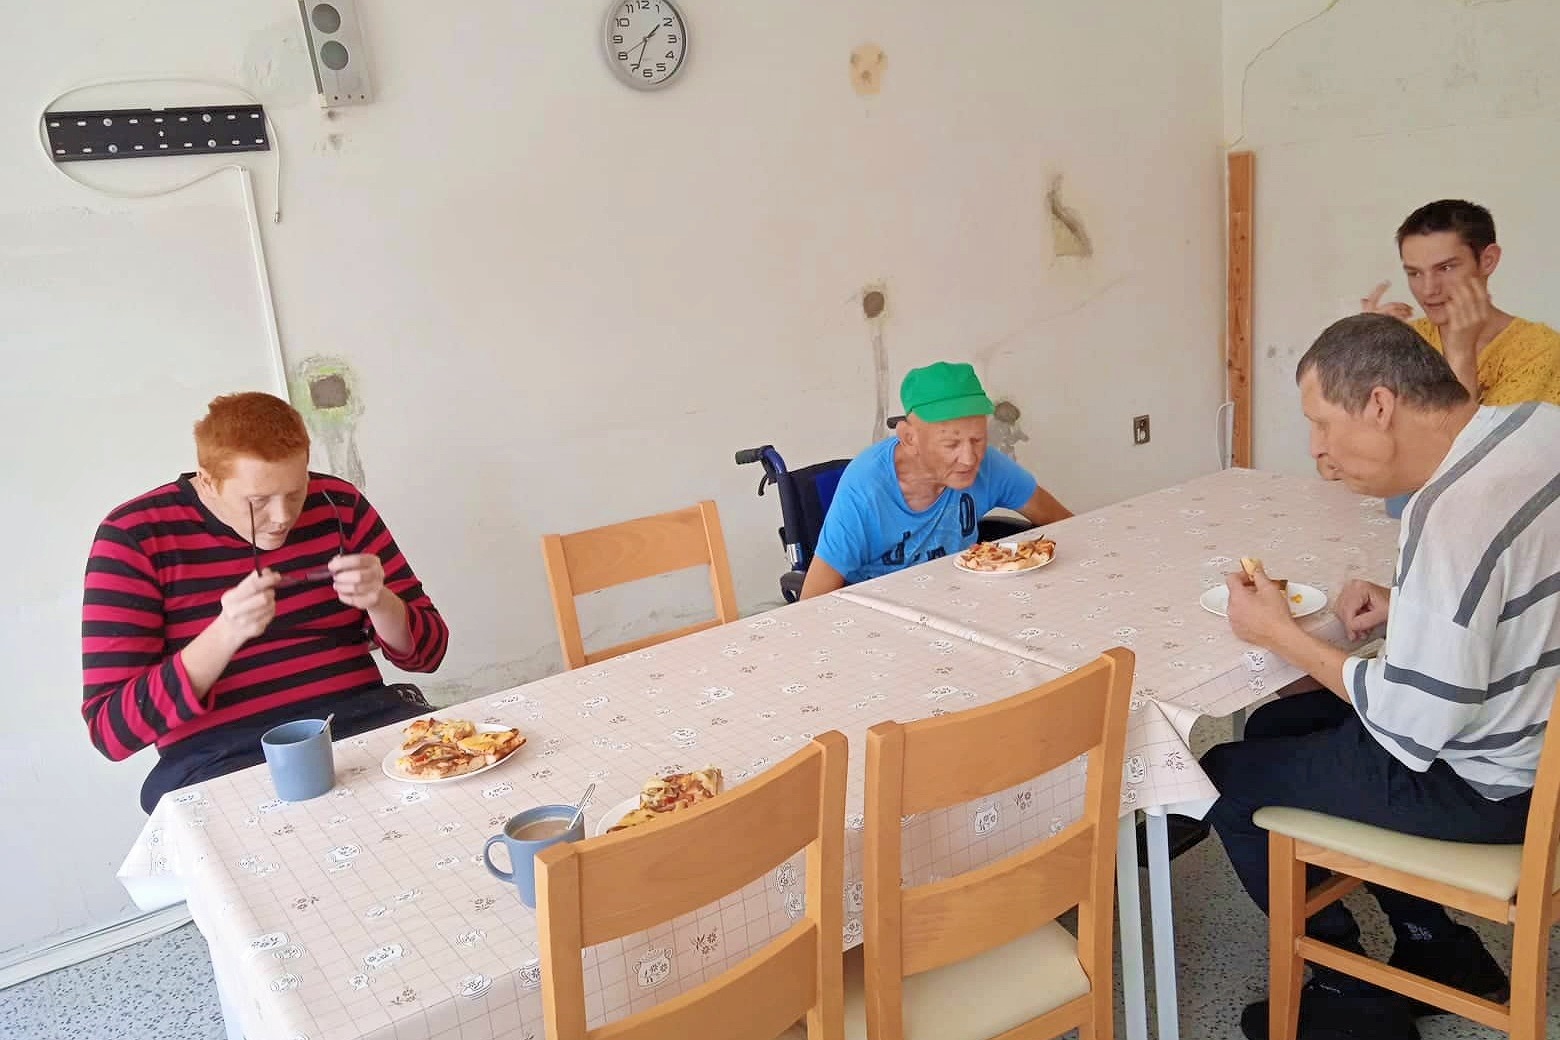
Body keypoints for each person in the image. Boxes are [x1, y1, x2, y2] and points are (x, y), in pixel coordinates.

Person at [1201, 313, 1560, 1040]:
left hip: (1495, 786)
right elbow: (1520, 587)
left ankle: (1344, 988)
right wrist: (1412, 605)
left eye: (1321, 423)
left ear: (1379, 404)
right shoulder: (1538, 431)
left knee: (1220, 777)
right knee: (1276, 724)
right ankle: (1439, 947)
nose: (1316, 450)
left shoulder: (1451, 512)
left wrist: (1279, 635)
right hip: (1534, 731)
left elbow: (1415, 726)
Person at [82, 392, 451, 812]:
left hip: (360, 722)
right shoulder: (135, 537)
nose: (282, 517)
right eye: (258, 502)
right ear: (207, 480)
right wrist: (225, 634)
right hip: (221, 757)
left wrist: (381, 602)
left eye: (295, 492)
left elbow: (429, 654)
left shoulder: (339, 504)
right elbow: (112, 731)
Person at [1349, 199, 1560, 508]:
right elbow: (1355, 456)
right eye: (1414, 273)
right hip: (1396, 517)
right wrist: (1362, 353)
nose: (1428, 289)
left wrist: (1461, 353)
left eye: (1445, 268)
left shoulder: (1541, 350)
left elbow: (1475, 468)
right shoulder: (1406, 339)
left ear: (1487, 260)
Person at [798, 361, 1071, 600]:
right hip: (881, 611)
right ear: (909, 438)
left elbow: (1066, 523)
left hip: (960, 600)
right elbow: (812, 601)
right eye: (951, 444)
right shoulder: (866, 487)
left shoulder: (988, 463)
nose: (969, 459)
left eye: (977, 439)